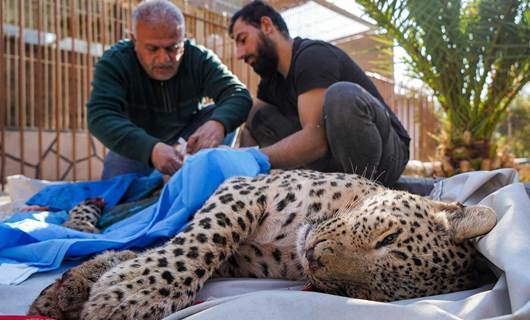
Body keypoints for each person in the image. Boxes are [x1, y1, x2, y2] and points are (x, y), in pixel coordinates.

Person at [229, 1, 410, 186]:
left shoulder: (312, 56)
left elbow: (315, 141)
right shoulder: (272, 80)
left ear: (267, 26)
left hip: (387, 155)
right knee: (260, 116)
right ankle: (307, 190)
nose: (239, 54)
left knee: (341, 96)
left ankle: (361, 193)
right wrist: (245, 172)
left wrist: (252, 157)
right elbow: (250, 124)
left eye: (243, 40)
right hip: (335, 162)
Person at [87, 0, 252, 179]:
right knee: (116, 200)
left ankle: (203, 176)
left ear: (183, 38)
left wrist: (218, 124)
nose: (163, 59)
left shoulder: (199, 58)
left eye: (172, 48)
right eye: (152, 49)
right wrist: (150, 148)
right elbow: (100, 115)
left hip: (188, 142)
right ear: (134, 41)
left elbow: (238, 94)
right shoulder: (115, 62)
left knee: (217, 113)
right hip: (137, 146)